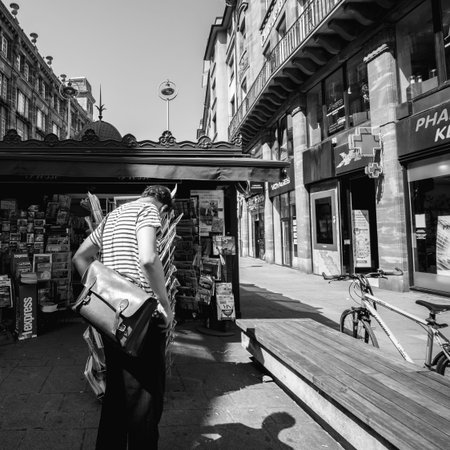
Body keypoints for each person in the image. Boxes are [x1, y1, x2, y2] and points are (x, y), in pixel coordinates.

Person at [72, 185, 174, 450]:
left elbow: (80, 257)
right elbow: (149, 259)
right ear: (164, 208)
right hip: (141, 316)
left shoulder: (113, 216)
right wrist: (165, 305)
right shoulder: (149, 210)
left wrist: (101, 287)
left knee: (116, 393)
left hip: (111, 317)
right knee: (145, 398)